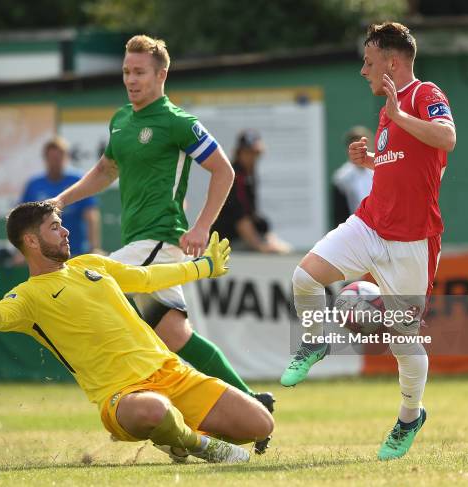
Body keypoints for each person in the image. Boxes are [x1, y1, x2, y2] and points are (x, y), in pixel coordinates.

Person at [49, 35, 275, 453]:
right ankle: (251, 402)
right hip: (138, 241)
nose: (131, 80)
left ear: (161, 75)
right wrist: (61, 200)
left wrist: (201, 227)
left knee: (96, 283)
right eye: (126, 72)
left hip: (159, 238)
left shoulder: (176, 121)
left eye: (139, 72)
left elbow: (223, 171)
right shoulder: (120, 120)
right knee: (174, 334)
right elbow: (105, 169)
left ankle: (146, 405)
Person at [0, 201, 273, 463]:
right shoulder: (28, 296)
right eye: (55, 227)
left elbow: (147, 278)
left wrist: (203, 267)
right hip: (122, 396)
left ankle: (173, 435)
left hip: (172, 373)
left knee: (261, 424)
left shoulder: (91, 263)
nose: (66, 231)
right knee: (154, 410)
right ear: (30, 241)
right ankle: (199, 445)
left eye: (61, 224)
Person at [280, 22, 456, 460]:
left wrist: (398, 118)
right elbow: (406, 164)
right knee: (305, 277)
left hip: (413, 240)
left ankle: (410, 415)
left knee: (404, 341)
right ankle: (315, 338)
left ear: (392, 63)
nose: (363, 70)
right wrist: (373, 160)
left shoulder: (423, 94)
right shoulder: (389, 110)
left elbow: (447, 140)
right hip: (371, 222)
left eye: (369, 61)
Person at [213, 130, 292, 253]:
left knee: (282, 248)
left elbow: (252, 214)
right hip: (226, 244)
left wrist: (268, 237)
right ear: (239, 153)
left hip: (239, 239)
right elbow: (240, 219)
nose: (252, 157)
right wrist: (261, 246)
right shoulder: (234, 175)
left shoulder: (248, 174)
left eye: (255, 153)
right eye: (248, 153)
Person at [21, 136, 102, 256]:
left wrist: (94, 247)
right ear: (45, 159)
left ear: (66, 157)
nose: (56, 162)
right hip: (43, 254)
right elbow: (24, 220)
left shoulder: (77, 181)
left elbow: (90, 215)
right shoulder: (34, 185)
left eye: (59, 157)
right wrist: (23, 251)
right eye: (52, 158)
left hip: (76, 252)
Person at [331, 126, 374, 227]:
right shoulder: (341, 178)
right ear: (348, 149)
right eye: (355, 146)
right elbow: (340, 214)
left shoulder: (379, 171)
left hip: (381, 230)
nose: (360, 150)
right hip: (355, 229)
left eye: (364, 145)